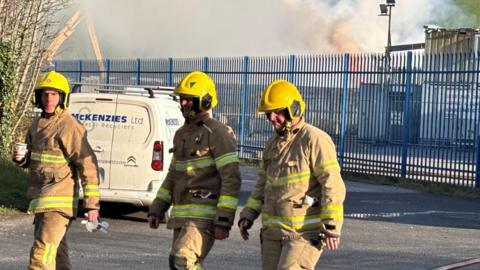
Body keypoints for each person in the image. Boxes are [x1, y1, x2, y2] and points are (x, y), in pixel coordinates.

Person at [238, 80, 346, 270]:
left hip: (303, 234)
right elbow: (261, 186)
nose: (272, 118)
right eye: (268, 113)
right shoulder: (272, 145)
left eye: (277, 111)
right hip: (272, 234)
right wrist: (248, 214)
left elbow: (332, 184)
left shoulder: (314, 139)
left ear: (293, 109)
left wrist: (332, 226)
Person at [148, 71, 242, 270]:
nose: (183, 104)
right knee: (179, 263)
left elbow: (231, 178)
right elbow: (173, 175)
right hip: (182, 214)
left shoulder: (218, 133)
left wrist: (223, 219)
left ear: (205, 101)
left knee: (183, 260)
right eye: (182, 99)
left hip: (204, 215)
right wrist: (158, 208)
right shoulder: (182, 134)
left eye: (189, 100)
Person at [12, 71, 100, 270]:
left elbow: (88, 165)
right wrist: (20, 158)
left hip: (59, 204)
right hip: (41, 201)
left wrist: (92, 205)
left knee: (41, 258)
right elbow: (32, 161)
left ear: (62, 97)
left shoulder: (68, 126)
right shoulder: (36, 125)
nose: (49, 99)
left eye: (54, 94)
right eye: (45, 94)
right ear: (38, 97)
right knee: (58, 257)